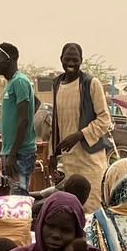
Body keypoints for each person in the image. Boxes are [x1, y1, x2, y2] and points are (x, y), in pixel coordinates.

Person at [50, 44, 112, 211]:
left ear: (81, 61)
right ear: (61, 59)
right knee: (73, 208)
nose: (71, 63)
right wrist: (52, 155)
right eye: (67, 59)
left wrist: (79, 135)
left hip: (90, 161)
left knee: (93, 207)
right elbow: (56, 122)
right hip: (69, 162)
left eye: (75, 60)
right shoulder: (57, 84)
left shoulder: (91, 84)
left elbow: (104, 120)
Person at [0, 43, 38, 193]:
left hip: (19, 154)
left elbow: (23, 119)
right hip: (10, 152)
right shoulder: (11, 83)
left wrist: (13, 153)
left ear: (9, 60)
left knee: (19, 201)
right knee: (9, 199)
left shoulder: (20, 81)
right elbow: (36, 103)